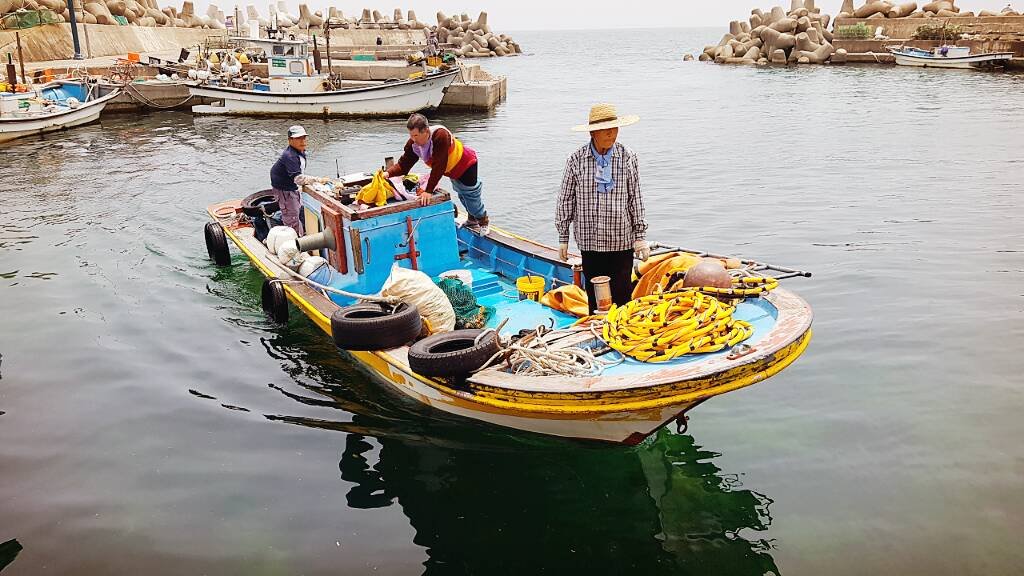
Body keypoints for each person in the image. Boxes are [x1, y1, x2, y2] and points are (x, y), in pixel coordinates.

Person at [556, 103, 649, 314]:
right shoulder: (576, 160)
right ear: (593, 132)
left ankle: (621, 336)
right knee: (595, 302)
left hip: (621, 241)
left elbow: (635, 197)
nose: (612, 133)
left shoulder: (627, 157)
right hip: (590, 242)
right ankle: (597, 333)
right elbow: (565, 199)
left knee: (622, 297)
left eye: (614, 128)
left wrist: (640, 236)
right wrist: (563, 237)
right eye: (606, 129)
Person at [385, 113, 489, 234]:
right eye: (411, 135)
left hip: (466, 165)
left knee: (471, 196)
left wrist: (428, 191)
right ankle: (472, 220)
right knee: (462, 195)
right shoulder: (414, 144)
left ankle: (483, 221)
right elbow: (404, 165)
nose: (413, 139)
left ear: (426, 131)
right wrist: (387, 173)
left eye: (416, 135)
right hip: (452, 171)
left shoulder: (440, 135)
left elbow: (439, 166)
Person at [269, 125, 323, 236]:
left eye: (304, 138)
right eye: (298, 138)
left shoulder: (299, 151)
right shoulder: (290, 156)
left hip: (292, 186)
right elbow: (298, 178)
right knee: (291, 218)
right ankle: (295, 242)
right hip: (284, 190)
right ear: (290, 140)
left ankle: (301, 234)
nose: (302, 141)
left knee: (297, 209)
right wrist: (317, 180)